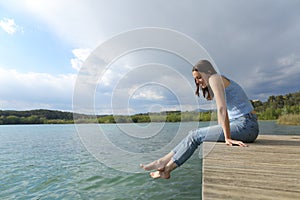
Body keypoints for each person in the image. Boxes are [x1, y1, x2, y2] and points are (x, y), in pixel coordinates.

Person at [140, 59, 259, 179]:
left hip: (246, 125)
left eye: (199, 77)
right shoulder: (217, 80)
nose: (197, 82)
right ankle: (163, 162)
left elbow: (222, 108)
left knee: (195, 136)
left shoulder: (215, 78)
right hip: (244, 125)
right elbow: (220, 112)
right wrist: (220, 131)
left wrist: (227, 137)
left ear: (208, 72)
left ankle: (167, 168)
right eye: (195, 79)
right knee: (193, 134)